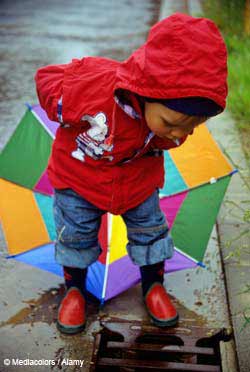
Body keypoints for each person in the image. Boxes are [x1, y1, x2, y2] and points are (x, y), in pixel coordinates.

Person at [35, 13, 227, 334]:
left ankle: (152, 285)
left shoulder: (173, 119)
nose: (180, 134)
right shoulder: (93, 87)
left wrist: (167, 130)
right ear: (148, 91)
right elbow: (48, 78)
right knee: (77, 234)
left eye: (192, 127)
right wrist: (61, 104)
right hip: (79, 177)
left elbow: (171, 126)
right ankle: (75, 290)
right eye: (170, 123)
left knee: (151, 231)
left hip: (137, 182)